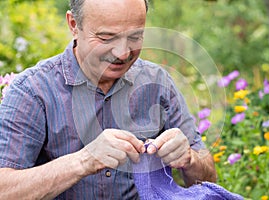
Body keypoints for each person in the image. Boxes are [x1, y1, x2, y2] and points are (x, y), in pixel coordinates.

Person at [0, 0, 216, 199]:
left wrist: (189, 159)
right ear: (74, 24)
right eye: (106, 38)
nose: (122, 53)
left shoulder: (158, 83)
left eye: (134, 37)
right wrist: (83, 161)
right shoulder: (32, 91)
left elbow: (209, 178)